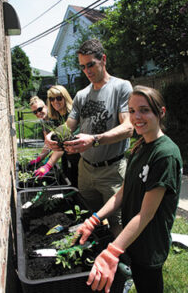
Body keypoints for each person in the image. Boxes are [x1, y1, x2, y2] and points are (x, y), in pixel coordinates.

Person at [74, 85, 183, 293]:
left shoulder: (165, 155)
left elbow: (146, 214)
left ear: (161, 112)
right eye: (131, 111)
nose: (136, 117)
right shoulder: (140, 145)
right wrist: (94, 219)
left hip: (149, 244)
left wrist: (111, 252)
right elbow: (123, 192)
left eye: (144, 110)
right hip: (133, 238)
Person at [45, 39, 133, 236]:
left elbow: (128, 128)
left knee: (117, 223)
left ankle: (122, 263)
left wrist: (94, 140)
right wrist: (53, 136)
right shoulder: (81, 95)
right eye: (82, 67)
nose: (87, 71)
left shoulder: (121, 87)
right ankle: (96, 258)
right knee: (88, 218)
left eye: (91, 64)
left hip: (112, 170)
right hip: (85, 170)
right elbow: (69, 125)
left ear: (103, 59)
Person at [46, 85, 80, 187]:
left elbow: (65, 133)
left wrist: (48, 165)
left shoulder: (72, 115)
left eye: (59, 98)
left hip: (78, 157)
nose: (55, 101)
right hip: (67, 157)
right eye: (52, 99)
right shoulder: (56, 117)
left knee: (76, 184)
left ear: (65, 97)